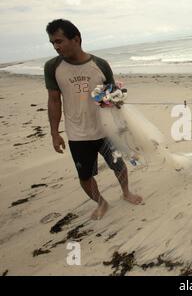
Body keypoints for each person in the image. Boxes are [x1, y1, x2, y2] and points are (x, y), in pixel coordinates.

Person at [44, 19, 143, 220]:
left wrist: (115, 101)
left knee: (119, 165)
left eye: (59, 41)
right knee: (85, 177)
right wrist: (55, 133)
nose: (56, 46)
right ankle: (101, 202)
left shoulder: (100, 65)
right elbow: (54, 101)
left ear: (76, 39)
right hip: (77, 134)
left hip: (106, 130)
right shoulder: (52, 67)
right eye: (53, 43)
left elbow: (114, 96)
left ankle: (126, 192)